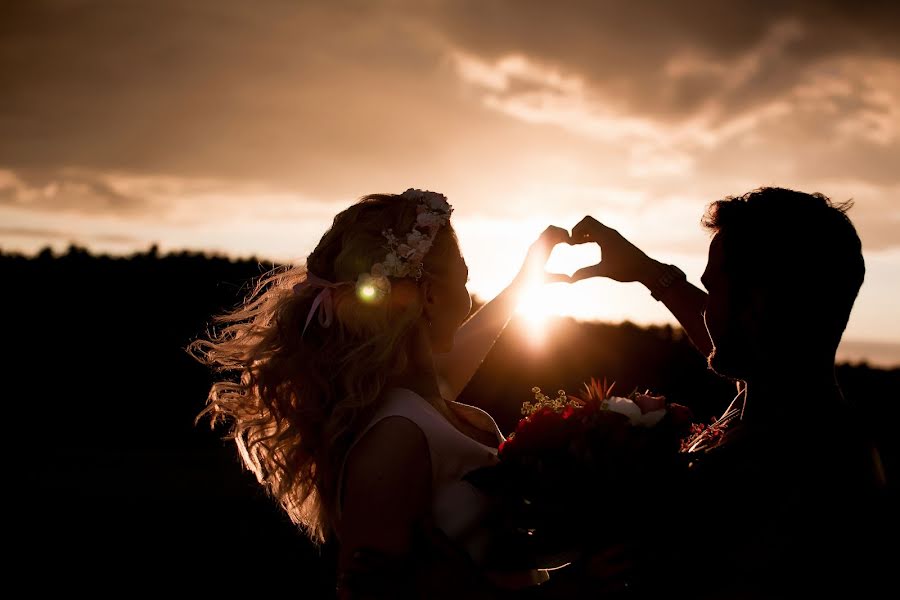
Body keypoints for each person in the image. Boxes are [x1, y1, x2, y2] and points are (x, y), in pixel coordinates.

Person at [187, 189, 571, 598]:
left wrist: (523, 284)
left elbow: (457, 358)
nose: (468, 296)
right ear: (429, 296)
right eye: (465, 279)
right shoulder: (395, 438)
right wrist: (570, 592)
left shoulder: (420, 406)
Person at [569, 187, 892, 598]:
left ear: (758, 304)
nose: (706, 310)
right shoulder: (796, 407)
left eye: (715, 290)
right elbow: (734, 340)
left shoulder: (777, 470)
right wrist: (649, 272)